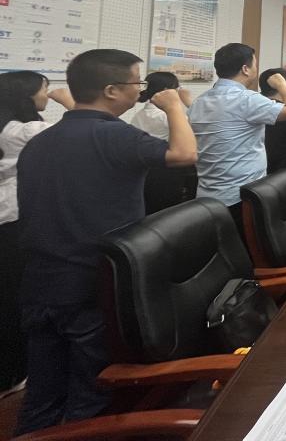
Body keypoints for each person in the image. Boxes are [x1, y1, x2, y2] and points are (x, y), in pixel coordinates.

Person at [15, 49, 196, 435]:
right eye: (137, 83)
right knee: (91, 391)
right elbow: (184, 153)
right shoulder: (115, 135)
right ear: (112, 90)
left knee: (42, 393)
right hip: (90, 283)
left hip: (40, 282)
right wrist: (174, 107)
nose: (141, 91)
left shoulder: (42, 141)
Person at [0, 73, 73, 395]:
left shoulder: (8, 129)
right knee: (15, 296)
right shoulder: (28, 131)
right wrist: (69, 101)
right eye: (45, 90)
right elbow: (82, 128)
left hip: (6, 217)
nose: (48, 94)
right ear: (28, 96)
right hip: (15, 218)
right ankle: (14, 373)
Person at [188, 43, 286, 236]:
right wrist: (282, 85)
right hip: (242, 196)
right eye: (255, 65)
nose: (256, 69)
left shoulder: (199, 101)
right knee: (250, 246)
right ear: (245, 69)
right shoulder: (247, 99)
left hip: (206, 196)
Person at [131, 72, 198, 213]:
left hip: (146, 171)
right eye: (177, 88)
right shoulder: (165, 116)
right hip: (168, 171)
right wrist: (187, 102)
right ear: (167, 91)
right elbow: (197, 126)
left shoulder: (140, 114)